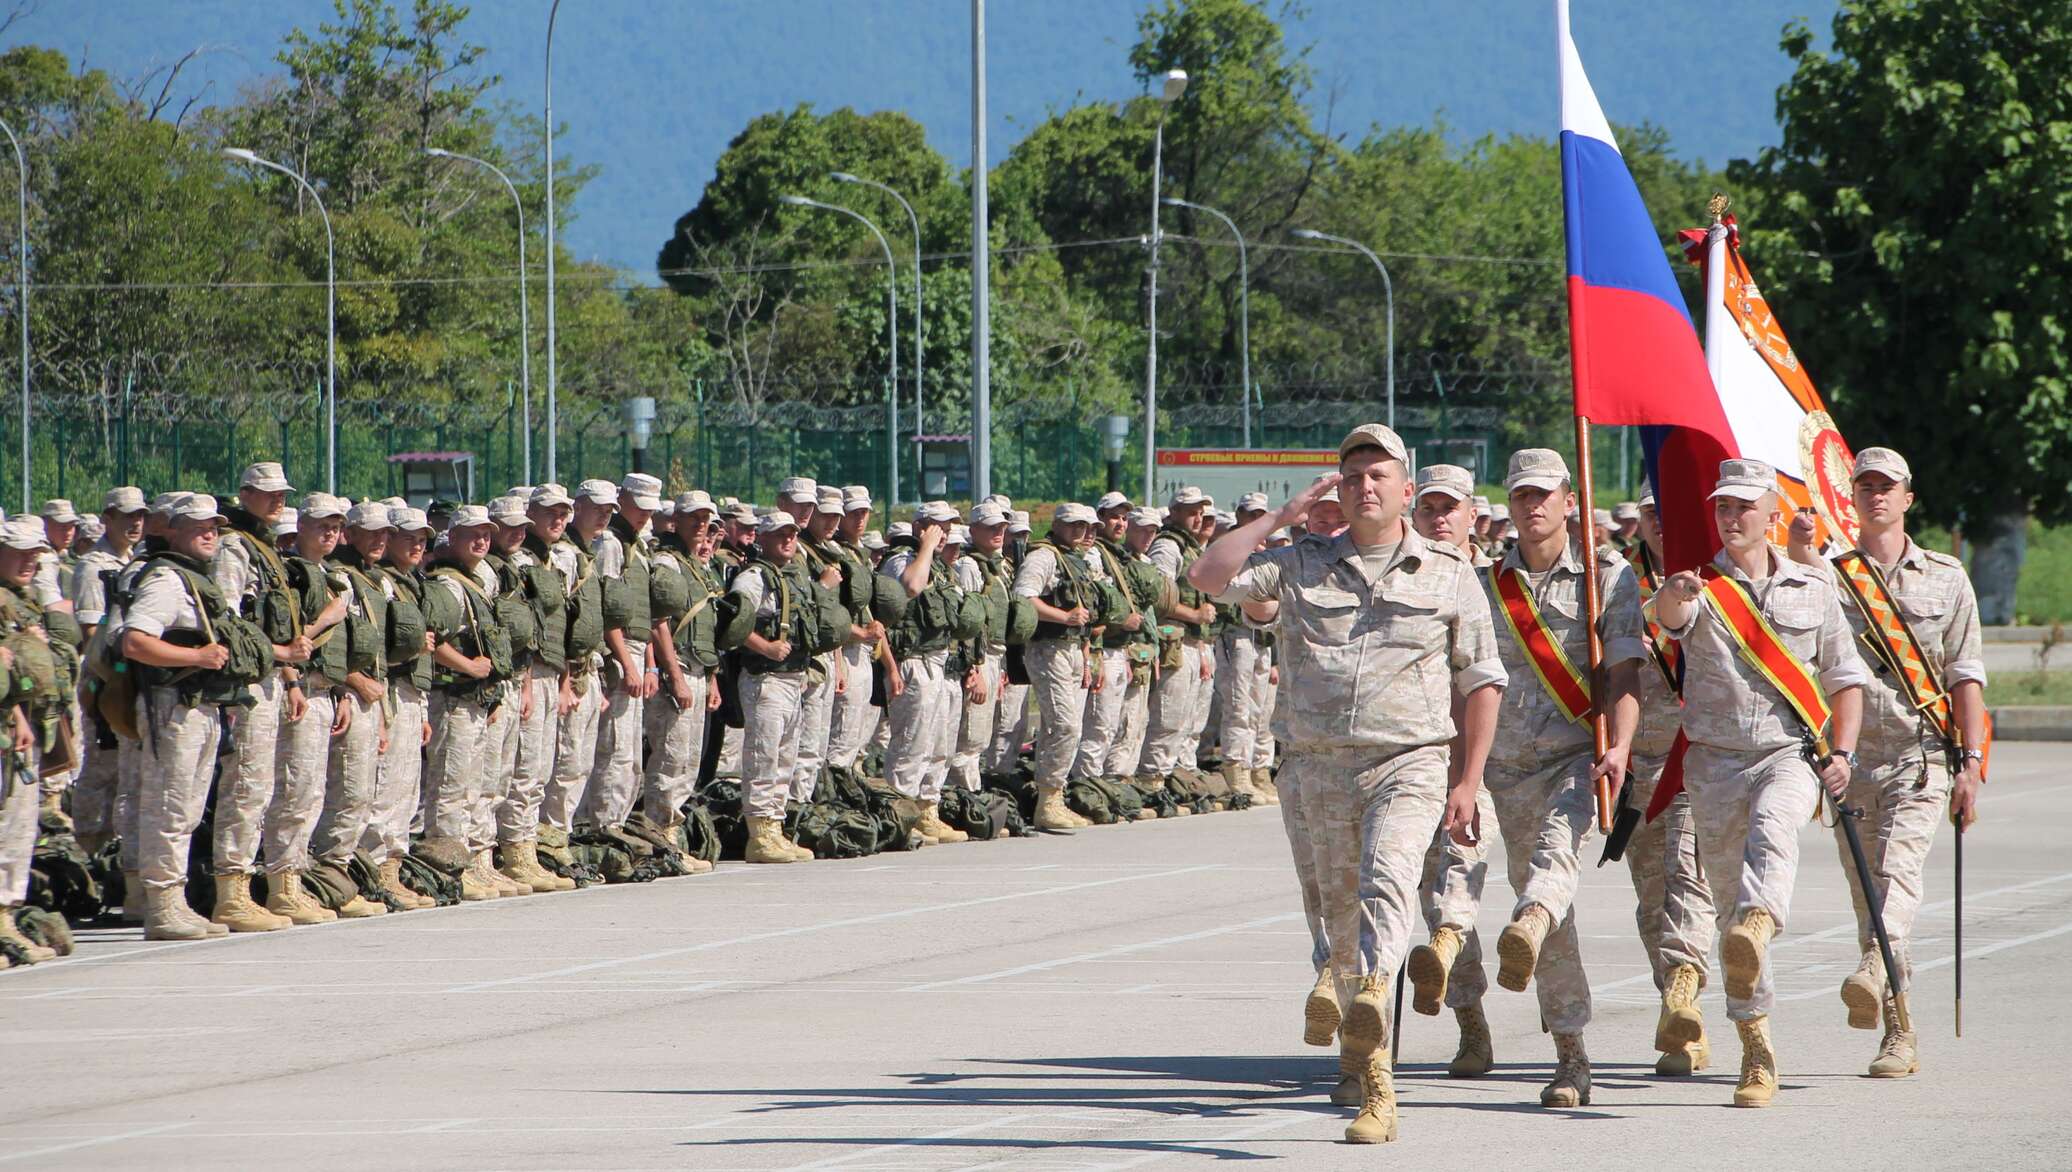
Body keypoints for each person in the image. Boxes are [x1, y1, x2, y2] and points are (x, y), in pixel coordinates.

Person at [1190, 423, 1504, 1144]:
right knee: (1334, 917)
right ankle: (1355, 1016)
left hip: (1411, 760)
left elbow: (1482, 681)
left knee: (1386, 885)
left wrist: (1468, 779)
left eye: (1380, 474)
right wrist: (1280, 518)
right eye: (1353, 474)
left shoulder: (1450, 573)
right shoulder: (1300, 562)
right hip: (1315, 767)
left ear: (1406, 489)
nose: (1366, 486)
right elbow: (1208, 576)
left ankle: (1379, 1077)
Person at [1653, 458, 1867, 1108]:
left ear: (1773, 512)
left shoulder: (1813, 586)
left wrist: (1845, 753)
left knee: (1774, 836)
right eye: (1723, 506)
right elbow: (1664, 617)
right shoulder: (1699, 588)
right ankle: (1756, 1047)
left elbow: (1844, 678)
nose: (1731, 515)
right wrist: (1674, 595)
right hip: (1714, 763)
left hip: (1787, 754)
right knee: (1725, 917)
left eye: (1744, 505)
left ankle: (1760, 916)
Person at [1786, 445, 1986, 1078]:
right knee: (1868, 894)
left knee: (1896, 878)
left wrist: (1971, 762)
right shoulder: (1828, 575)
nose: (1876, 494)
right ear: (1852, 495)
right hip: (1851, 763)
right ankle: (1901, 1032)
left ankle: (1876, 971)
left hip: (1920, 755)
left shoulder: (1947, 576)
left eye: (1887, 486)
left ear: (1908, 498)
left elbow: (1965, 672)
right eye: (1865, 484)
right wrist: (1796, 557)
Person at [1474, 449, 1646, 1108]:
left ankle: (1531, 917)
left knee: (1548, 876)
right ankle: (1571, 1057)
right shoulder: (1487, 584)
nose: (1533, 505)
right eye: (1521, 495)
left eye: (1545, 494)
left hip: (1579, 755)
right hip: (1505, 767)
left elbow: (1627, 671)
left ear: (1570, 500)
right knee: (1553, 919)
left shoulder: (1607, 577)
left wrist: (1621, 746)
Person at [1402, 463, 1503, 1077]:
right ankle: (1473, 1027)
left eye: (1450, 508)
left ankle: (1570, 1038)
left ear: (1474, 516)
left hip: (1510, 760)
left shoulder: (1507, 584)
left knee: (1540, 906)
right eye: (1429, 507)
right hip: (1428, 758)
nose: (1438, 518)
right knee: (1440, 893)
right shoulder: (1406, 574)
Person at [122, 494, 258, 940]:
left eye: (214, 527)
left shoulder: (194, 579)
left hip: (198, 706)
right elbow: (135, 642)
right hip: (171, 705)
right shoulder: (165, 579)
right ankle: (161, 905)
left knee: (187, 809)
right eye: (198, 526)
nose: (209, 533)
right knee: (169, 806)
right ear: (172, 530)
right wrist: (196, 655)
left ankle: (172, 900)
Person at [1625, 485, 1720, 1076]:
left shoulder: (1713, 578)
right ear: (1639, 519)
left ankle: (1684, 1001)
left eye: (1670, 509)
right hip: (1638, 761)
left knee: (1689, 877)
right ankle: (1676, 1006)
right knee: (1651, 898)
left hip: (1698, 754)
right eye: (1651, 511)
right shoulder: (1615, 580)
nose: (1662, 522)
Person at [212, 463, 325, 929]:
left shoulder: (264, 548)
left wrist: (290, 675)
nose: (277, 500)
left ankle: (284, 887)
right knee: (248, 786)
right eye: (266, 493)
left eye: (281, 494)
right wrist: (281, 654)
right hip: (247, 685)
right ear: (244, 495)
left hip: (273, 679)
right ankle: (231, 892)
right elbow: (229, 620)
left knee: (284, 785)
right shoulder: (234, 548)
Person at [423, 505, 518, 902]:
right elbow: (431, 639)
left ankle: (477, 862)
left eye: (486, 534)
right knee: (452, 786)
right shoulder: (446, 584)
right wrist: (469, 668)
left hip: (479, 699)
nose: (481, 540)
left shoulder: (480, 578)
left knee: (481, 785)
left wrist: (490, 685)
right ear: (454, 537)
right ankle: (447, 867)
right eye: (472, 534)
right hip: (455, 698)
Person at [310, 500, 397, 914]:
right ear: (352, 536)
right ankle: (330, 877)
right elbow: (332, 647)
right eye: (372, 533)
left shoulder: (370, 579)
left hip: (370, 698)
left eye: (385, 534)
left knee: (363, 793)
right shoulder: (339, 578)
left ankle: (343, 876)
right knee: (345, 792)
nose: (381, 540)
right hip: (348, 693)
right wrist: (352, 685)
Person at [880, 501, 973, 844]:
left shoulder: (942, 566)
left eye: (948, 526)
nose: (945, 532)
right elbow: (911, 587)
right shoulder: (903, 560)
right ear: (921, 526)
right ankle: (899, 816)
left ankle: (926, 810)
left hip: (942, 664)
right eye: (938, 525)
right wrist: (927, 546)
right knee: (911, 743)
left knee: (940, 744)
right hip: (914, 661)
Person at [725, 511, 815, 863]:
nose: (788, 540)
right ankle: (759, 836)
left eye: (792, 534)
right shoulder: (754, 578)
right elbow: (732, 620)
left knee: (785, 758)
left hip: (793, 679)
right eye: (780, 534)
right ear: (762, 538)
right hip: (767, 678)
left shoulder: (791, 576)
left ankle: (775, 828)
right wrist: (765, 647)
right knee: (764, 756)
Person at [1013, 503, 1105, 830]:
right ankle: (1047, 800)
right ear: (1058, 525)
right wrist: (1063, 617)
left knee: (1072, 727)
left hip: (1072, 650)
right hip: (1048, 649)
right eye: (1076, 525)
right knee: (1063, 725)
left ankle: (1055, 796)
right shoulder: (1044, 556)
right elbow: (1024, 597)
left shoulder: (1076, 559)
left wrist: (1086, 651)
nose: (1084, 532)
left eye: (1089, 526)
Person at [68, 486, 149, 859]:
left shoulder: (133, 560)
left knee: (123, 773)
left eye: (140, 516)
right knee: (100, 771)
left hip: (126, 679)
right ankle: (86, 849)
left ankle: (114, 853)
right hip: (103, 680)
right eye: (127, 516)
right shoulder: (93, 567)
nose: (135, 523)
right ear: (107, 519)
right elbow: (90, 634)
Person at [580, 474, 662, 831]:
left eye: (649, 509)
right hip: (620, 650)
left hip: (637, 649)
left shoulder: (636, 544)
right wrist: (628, 663)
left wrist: (650, 666)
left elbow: (644, 611)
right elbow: (608, 610)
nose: (643, 515)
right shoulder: (611, 544)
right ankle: (603, 829)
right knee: (614, 752)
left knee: (629, 757)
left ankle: (617, 827)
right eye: (638, 507)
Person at [369, 504, 438, 911]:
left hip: (411, 693)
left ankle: (392, 871)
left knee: (405, 791)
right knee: (386, 789)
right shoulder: (380, 583)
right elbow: (373, 650)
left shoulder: (412, 583)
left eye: (422, 539)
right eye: (408, 537)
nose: (417, 545)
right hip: (387, 692)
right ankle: (377, 873)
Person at [0, 519, 56, 965]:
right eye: (20, 552)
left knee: (20, 827)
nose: (30, 560)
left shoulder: (22, 602)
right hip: (9, 727)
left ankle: (6, 919)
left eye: (35, 552)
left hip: (19, 726)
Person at [542, 483, 613, 832]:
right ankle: (552, 836)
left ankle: (561, 834)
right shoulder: (566, 556)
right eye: (598, 507)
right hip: (570, 674)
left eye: (610, 510)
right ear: (579, 508)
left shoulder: (585, 553)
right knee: (565, 763)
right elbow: (558, 625)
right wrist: (565, 681)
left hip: (589, 669)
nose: (605, 515)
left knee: (580, 763)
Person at [1140, 488, 1218, 792]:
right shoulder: (1168, 547)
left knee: (1191, 718)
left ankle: (1182, 779)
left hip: (1194, 643)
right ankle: (1153, 782)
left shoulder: (1191, 547)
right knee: (1168, 715)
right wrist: (1195, 615)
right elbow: (1160, 599)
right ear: (1173, 513)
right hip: (1174, 641)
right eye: (1190, 511)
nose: (1197, 518)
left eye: (1200, 511)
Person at [1214, 492, 1276, 804]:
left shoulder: (1270, 551)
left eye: (1260, 515)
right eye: (1250, 515)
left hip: (1263, 638)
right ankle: (1236, 768)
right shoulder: (1230, 550)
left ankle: (1258, 769)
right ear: (1238, 516)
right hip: (1237, 634)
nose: (1255, 521)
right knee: (1239, 705)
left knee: (1261, 710)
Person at [951, 503, 1012, 793]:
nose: (998, 532)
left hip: (994, 658)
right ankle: (966, 798)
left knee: (980, 736)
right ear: (973, 530)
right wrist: (973, 668)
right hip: (979, 658)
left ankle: (971, 796)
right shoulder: (969, 567)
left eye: (1001, 527)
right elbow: (966, 621)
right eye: (990, 527)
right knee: (970, 737)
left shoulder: (997, 568)